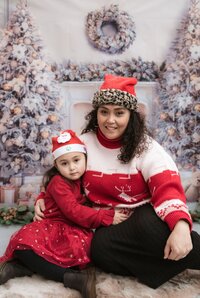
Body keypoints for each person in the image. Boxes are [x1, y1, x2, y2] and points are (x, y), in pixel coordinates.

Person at [4, 74, 200, 290]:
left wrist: (181, 226)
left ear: (131, 115)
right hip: (108, 225)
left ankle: (188, 254)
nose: (110, 120)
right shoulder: (84, 143)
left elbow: (167, 189)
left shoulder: (147, 148)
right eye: (104, 111)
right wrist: (44, 197)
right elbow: (64, 173)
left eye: (119, 113)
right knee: (98, 249)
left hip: (143, 218)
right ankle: (160, 267)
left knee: (147, 224)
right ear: (95, 113)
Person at [0, 129, 127, 298]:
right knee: (23, 244)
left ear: (85, 159)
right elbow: (73, 210)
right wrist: (107, 217)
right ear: (57, 166)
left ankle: (70, 278)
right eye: (64, 163)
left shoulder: (85, 179)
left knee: (26, 248)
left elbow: (90, 203)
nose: (72, 168)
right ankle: (23, 269)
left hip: (72, 230)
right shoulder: (58, 182)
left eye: (76, 160)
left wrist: (110, 212)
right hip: (56, 227)